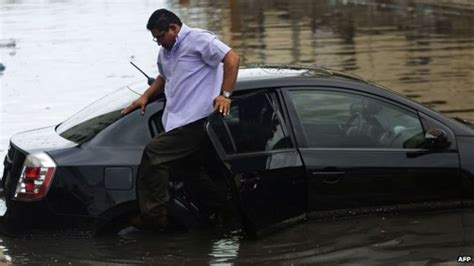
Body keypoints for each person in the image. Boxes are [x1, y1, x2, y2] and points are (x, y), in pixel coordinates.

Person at [121, 9, 240, 230]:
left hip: (197, 121)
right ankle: (226, 213)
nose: (158, 42)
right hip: (175, 122)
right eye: (155, 38)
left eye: (160, 36)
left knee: (154, 153)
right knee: (191, 174)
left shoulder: (199, 39)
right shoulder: (165, 53)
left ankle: (153, 218)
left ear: (174, 28)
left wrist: (225, 96)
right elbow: (165, 78)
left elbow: (232, 58)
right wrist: (145, 97)